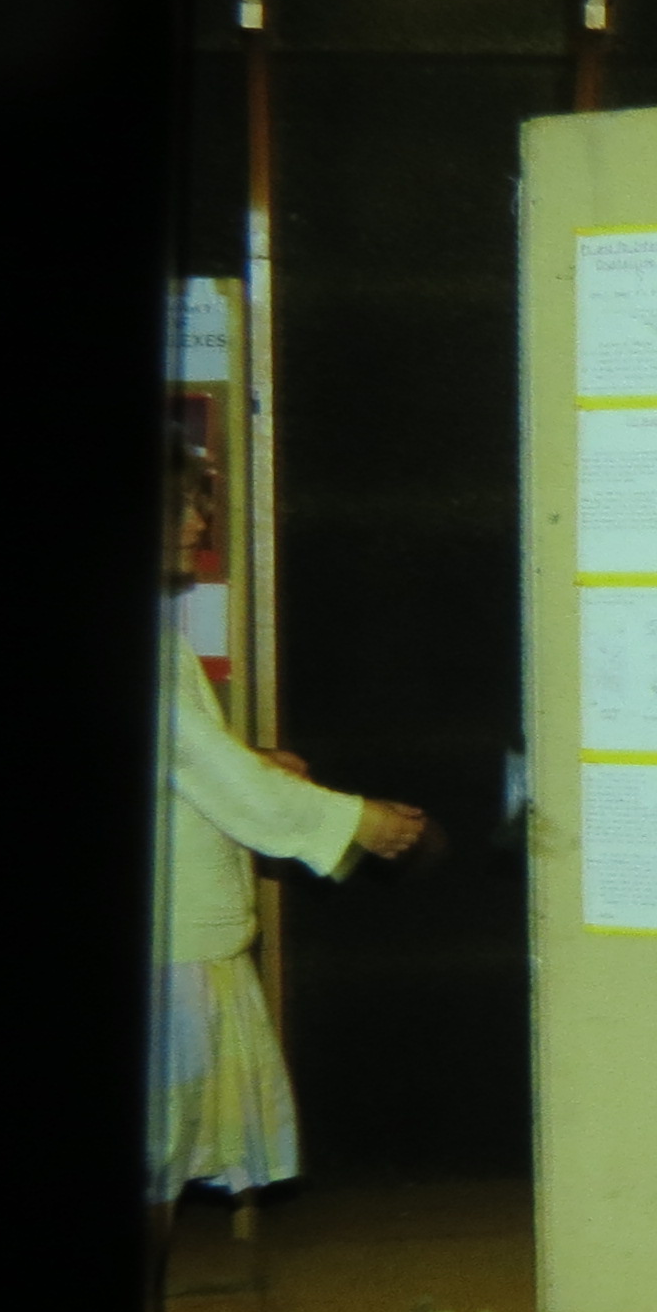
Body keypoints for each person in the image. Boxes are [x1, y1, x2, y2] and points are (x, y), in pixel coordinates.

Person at [153, 434, 425, 1224]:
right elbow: (207, 768)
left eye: (200, 504)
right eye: (182, 506)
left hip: (183, 939)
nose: (200, 523)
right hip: (169, 952)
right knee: (158, 1155)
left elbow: (189, 757)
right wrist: (357, 821)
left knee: (169, 1151)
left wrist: (251, 758)